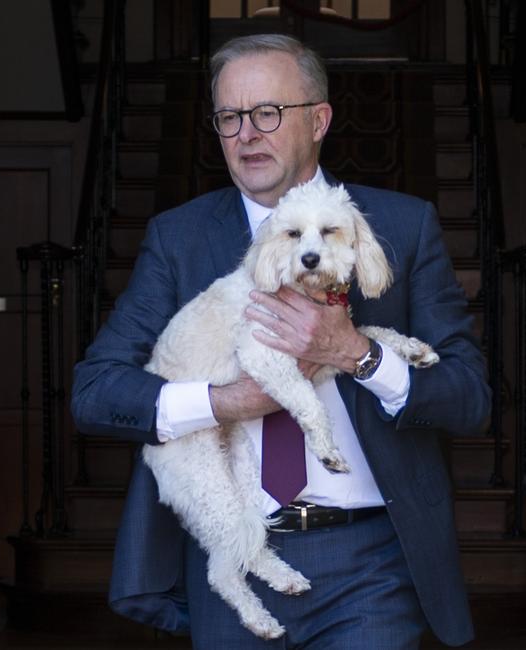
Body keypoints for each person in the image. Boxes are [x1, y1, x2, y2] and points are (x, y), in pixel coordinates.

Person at [71, 34, 491, 649]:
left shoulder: (401, 224)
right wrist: (227, 402)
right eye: (229, 118)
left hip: (371, 558)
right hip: (238, 549)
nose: (247, 133)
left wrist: (357, 354)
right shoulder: (178, 238)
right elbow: (95, 389)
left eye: (268, 112)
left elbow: (469, 396)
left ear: (318, 119)